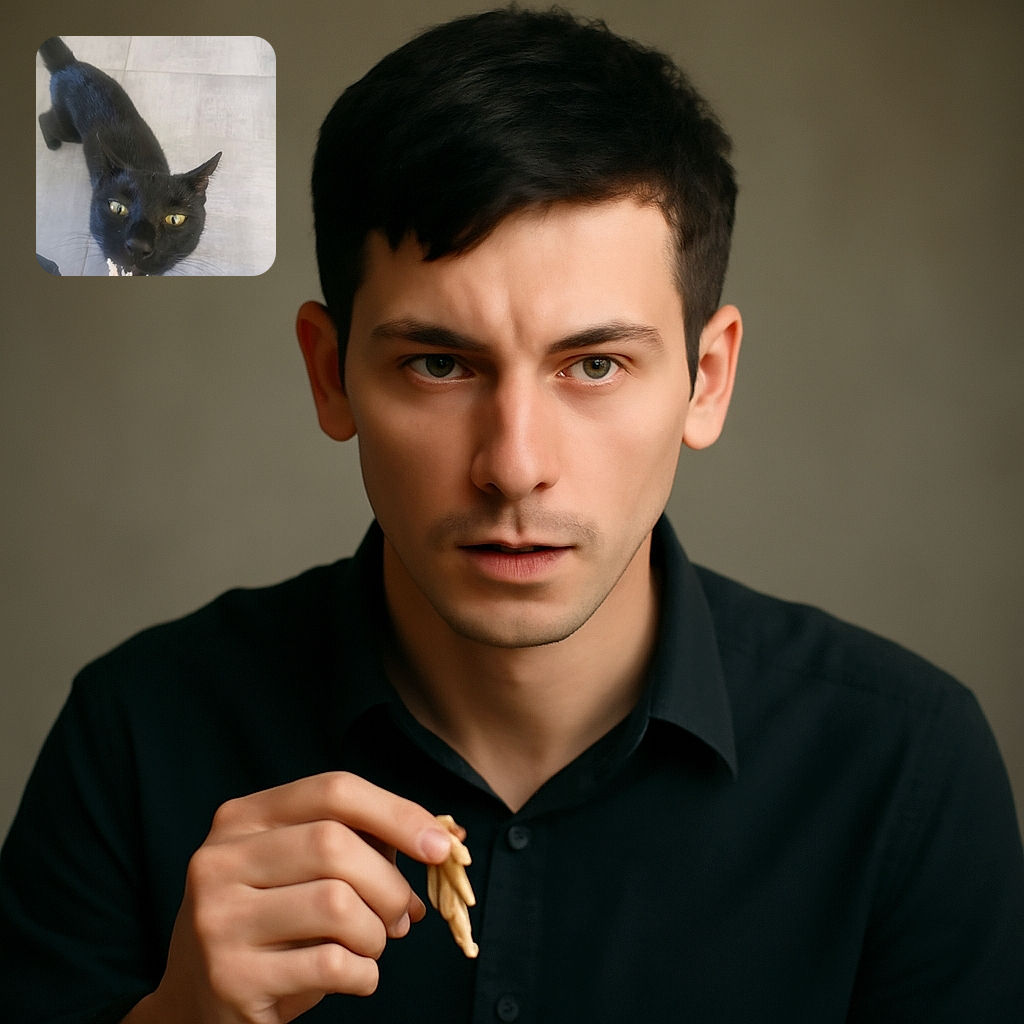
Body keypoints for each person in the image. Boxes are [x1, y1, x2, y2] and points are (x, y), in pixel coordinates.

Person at [2, 7, 1022, 1023]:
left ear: (705, 381)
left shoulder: (907, 771)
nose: (514, 467)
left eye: (593, 364)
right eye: (438, 364)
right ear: (331, 375)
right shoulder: (133, 735)